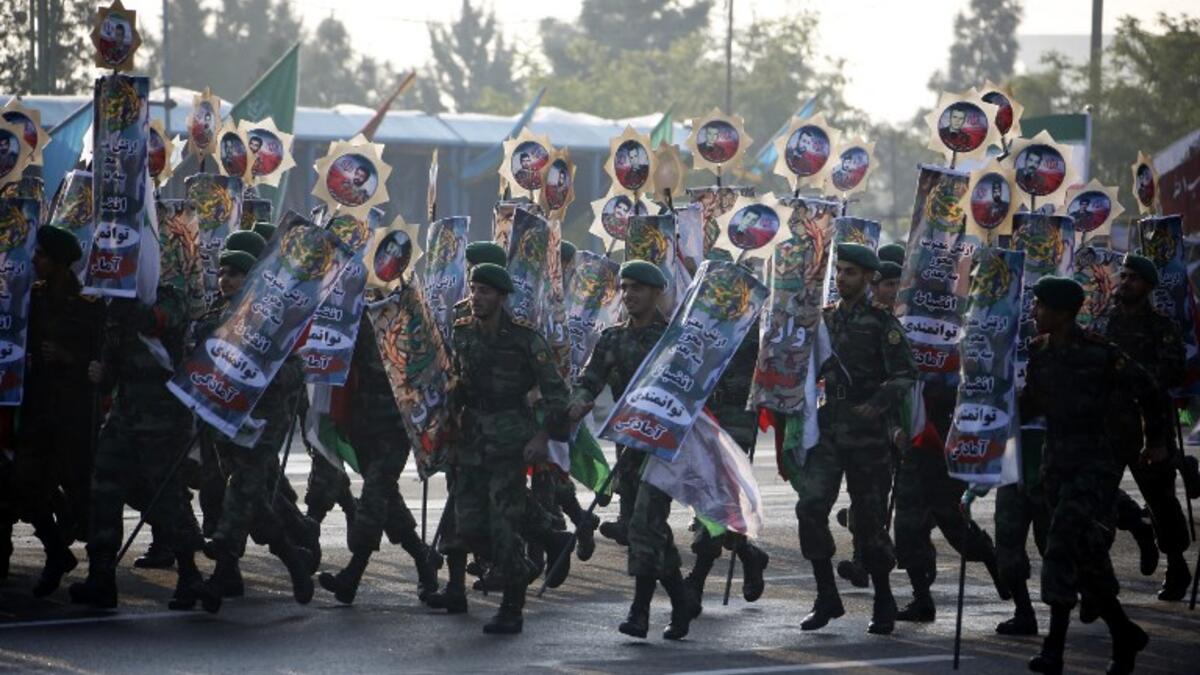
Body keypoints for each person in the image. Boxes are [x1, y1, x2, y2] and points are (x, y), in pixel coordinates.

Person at [1022, 276, 1163, 675]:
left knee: (1061, 545)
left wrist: (1156, 442)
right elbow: (1031, 406)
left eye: (1041, 306)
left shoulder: (1100, 354)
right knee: (1087, 559)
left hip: (1093, 465)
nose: (1034, 312)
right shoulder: (1039, 353)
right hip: (1056, 464)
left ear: (1064, 313)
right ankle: (1124, 635)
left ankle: (1054, 649)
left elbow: (1149, 389)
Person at [435, 263, 571, 634]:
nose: (476, 297)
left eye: (485, 291)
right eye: (474, 289)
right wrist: (445, 424)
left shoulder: (525, 339)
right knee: (467, 526)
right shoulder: (463, 333)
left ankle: (512, 607)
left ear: (501, 297)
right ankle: (548, 538)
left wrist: (542, 437)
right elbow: (458, 383)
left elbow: (557, 394)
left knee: (504, 524)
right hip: (472, 438)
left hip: (511, 440)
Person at [69, 241, 205, 611]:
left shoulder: (169, 297)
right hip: (125, 414)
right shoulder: (115, 305)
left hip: (164, 417)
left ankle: (190, 574)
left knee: (165, 495)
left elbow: (154, 322)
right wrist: (101, 373)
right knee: (104, 487)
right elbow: (112, 364)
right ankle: (101, 576)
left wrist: (123, 301)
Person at [190, 231, 317, 614]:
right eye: (222, 272)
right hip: (224, 421)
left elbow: (296, 373)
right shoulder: (215, 319)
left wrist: (266, 373)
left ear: (252, 280)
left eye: (235, 273)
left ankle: (220, 575)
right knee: (254, 501)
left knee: (241, 490)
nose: (225, 279)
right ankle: (293, 559)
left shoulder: (272, 322)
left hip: (262, 422)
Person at [571, 261, 699, 640]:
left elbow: (693, 389)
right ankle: (681, 600)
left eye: (637, 288)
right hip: (629, 447)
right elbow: (590, 379)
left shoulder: (674, 340)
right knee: (646, 530)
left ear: (657, 293)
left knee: (643, 524)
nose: (628, 295)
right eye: (624, 288)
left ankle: (639, 611)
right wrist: (578, 402)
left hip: (664, 449)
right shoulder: (612, 339)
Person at [794, 243, 916, 636]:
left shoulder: (882, 323)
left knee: (869, 522)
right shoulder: (824, 319)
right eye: (840, 270)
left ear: (867, 277)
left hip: (868, 435)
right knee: (810, 506)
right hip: (829, 427)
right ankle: (826, 595)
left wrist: (877, 405)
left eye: (850, 272)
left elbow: (905, 373)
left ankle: (883, 598)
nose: (842, 278)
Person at [317, 310, 439, 605]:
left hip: (396, 425)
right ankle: (424, 561)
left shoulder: (408, 314)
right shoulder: (355, 315)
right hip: (363, 421)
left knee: (374, 496)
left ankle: (352, 574)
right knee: (388, 500)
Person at [10, 226, 101, 597]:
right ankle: (56, 553)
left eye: (42, 255)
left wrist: (70, 358)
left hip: (74, 412)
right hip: (39, 407)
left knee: (82, 492)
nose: (35, 260)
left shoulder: (88, 305)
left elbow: (101, 356)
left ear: (60, 262)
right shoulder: (32, 296)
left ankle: (100, 573)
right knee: (25, 486)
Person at [1096, 255, 1192, 601]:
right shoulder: (1105, 319)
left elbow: (1173, 371)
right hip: (1108, 425)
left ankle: (1176, 565)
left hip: (1150, 425)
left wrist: (1136, 379)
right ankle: (1101, 573)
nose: (1125, 282)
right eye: (1123, 276)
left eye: (1134, 278)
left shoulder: (1161, 326)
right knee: (1098, 497)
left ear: (1148, 286)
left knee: (1161, 500)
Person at [684, 253, 769, 611]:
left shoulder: (752, 321)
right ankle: (749, 553)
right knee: (710, 496)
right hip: (702, 417)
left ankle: (696, 582)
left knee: (715, 497)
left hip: (736, 418)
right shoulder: (694, 318)